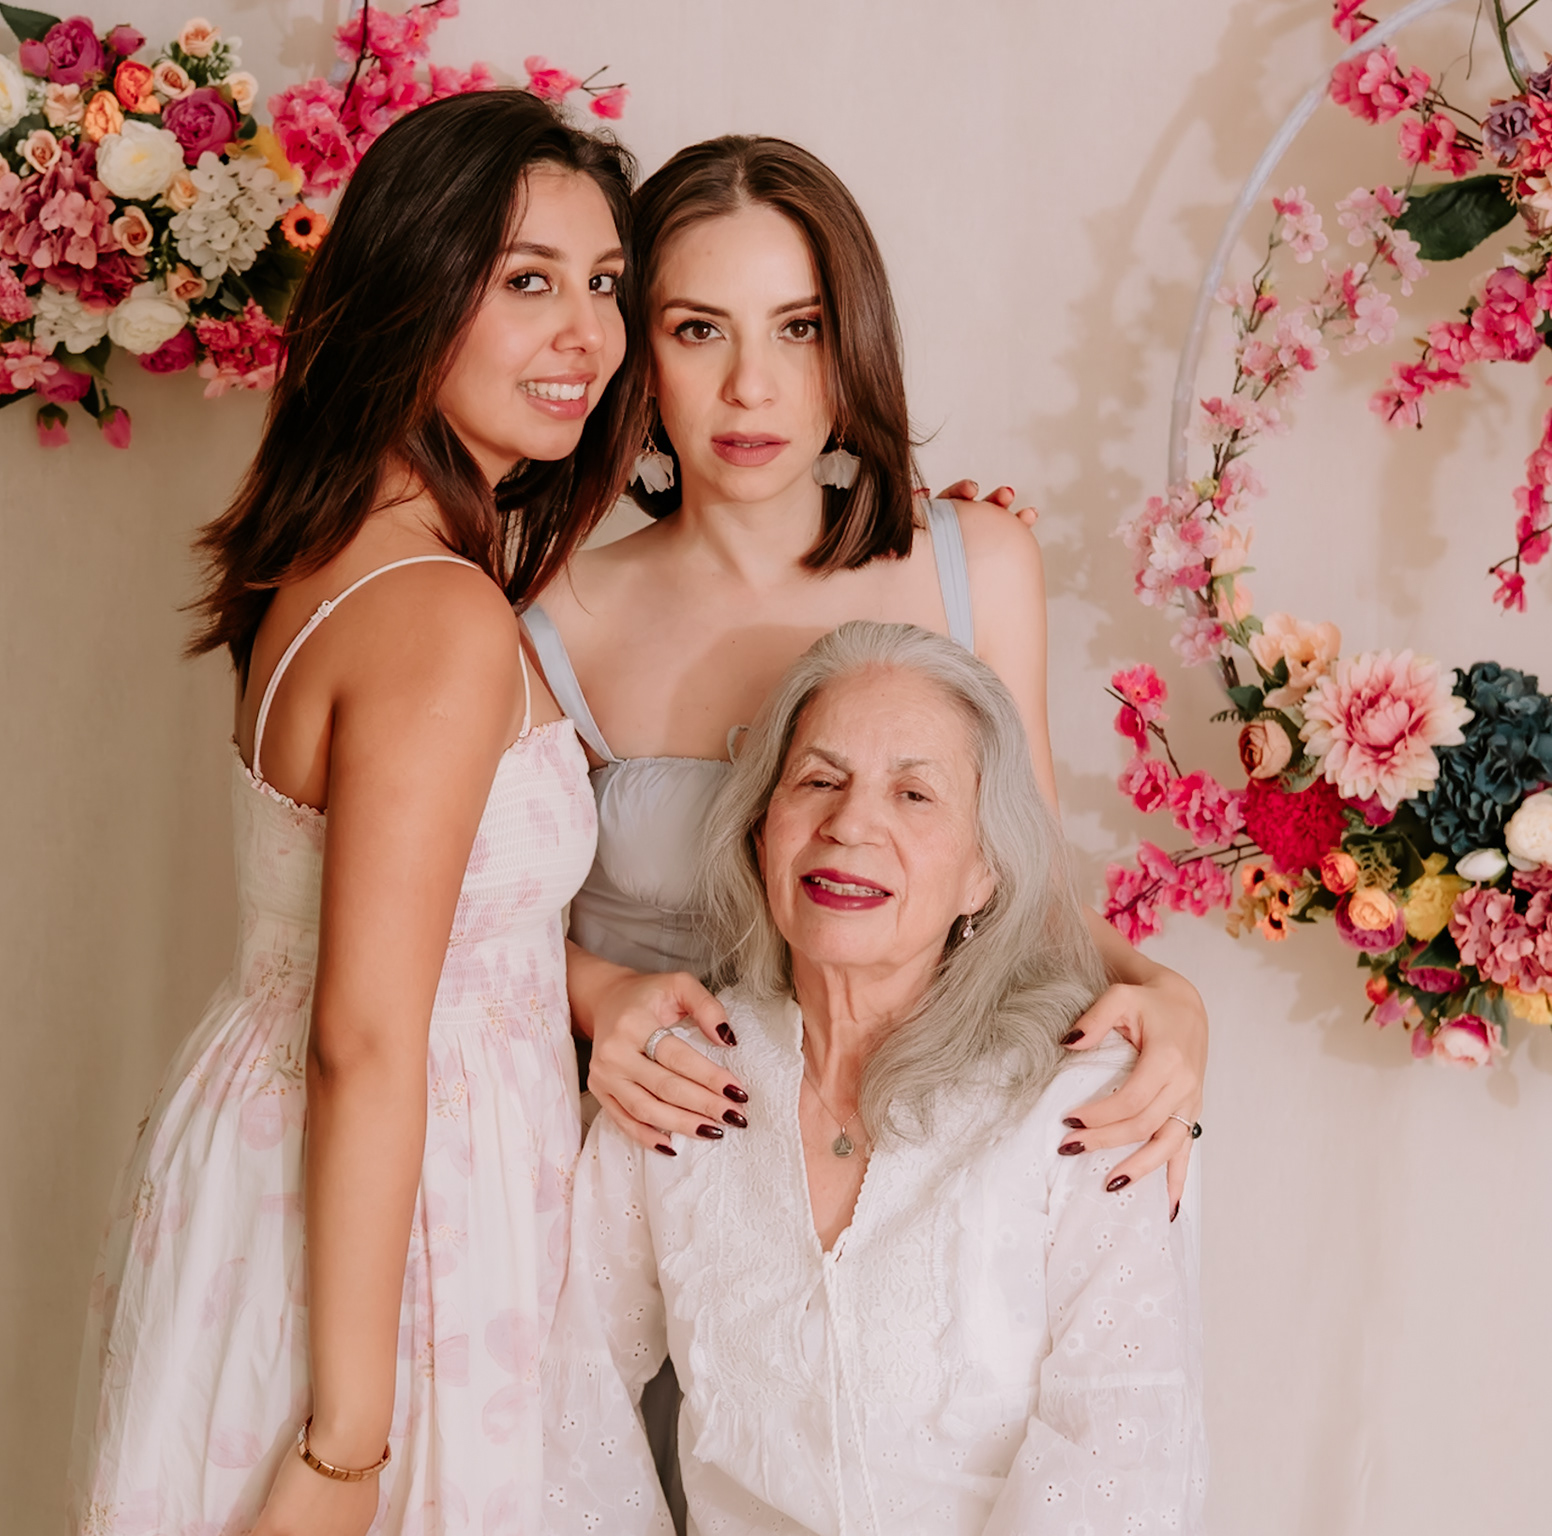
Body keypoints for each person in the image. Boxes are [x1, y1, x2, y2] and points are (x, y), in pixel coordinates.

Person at [69, 91, 644, 1536]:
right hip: (398, 1209)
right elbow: (367, 1035)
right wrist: (345, 1449)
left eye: (606, 284)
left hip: (289, 1167)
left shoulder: (335, 551)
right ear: (414, 289)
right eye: (529, 282)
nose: (589, 335)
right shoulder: (437, 611)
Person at [528, 137, 1207, 1205]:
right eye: (699, 329)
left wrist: (1167, 991)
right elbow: (476, 923)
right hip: (646, 1162)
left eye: (798, 328)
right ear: (636, 355)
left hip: (911, 1159)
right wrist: (597, 994)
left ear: (852, 347)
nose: (751, 387)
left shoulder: (977, 565)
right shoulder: (551, 616)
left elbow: (1028, 891)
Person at [543, 621, 1207, 1535]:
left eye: (914, 793)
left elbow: (1123, 1449)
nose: (850, 824)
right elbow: (568, 1400)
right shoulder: (680, 1077)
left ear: (983, 873)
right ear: (762, 832)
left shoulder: (1089, 1102)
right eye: (818, 781)